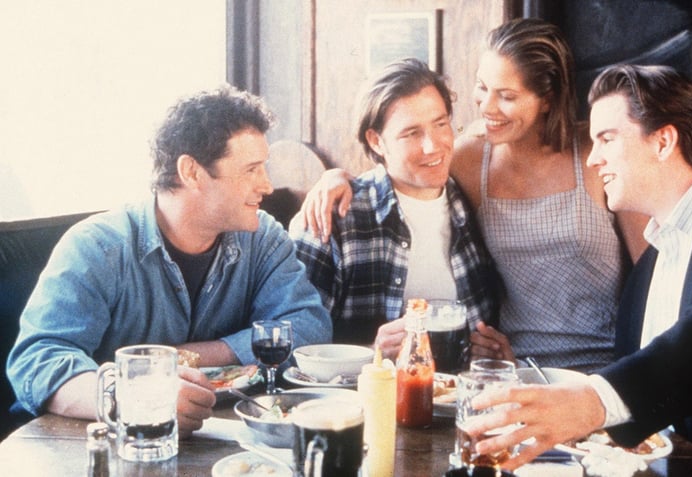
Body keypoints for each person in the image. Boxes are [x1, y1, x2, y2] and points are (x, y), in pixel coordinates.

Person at [462, 64, 692, 476]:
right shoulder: (648, 268)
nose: (593, 159)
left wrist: (590, 402)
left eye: (606, 139)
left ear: (662, 142)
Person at [298, 18, 648, 372]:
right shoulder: (471, 159)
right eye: (482, 87)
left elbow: (651, 266)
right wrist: (335, 177)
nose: (486, 107)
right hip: (512, 367)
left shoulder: (596, 151)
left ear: (547, 99)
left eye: (507, 96)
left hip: (606, 364)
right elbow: (403, 171)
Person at [6, 86, 332, 437]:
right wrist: (138, 393)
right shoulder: (97, 246)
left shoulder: (263, 237)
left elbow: (308, 324)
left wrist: (189, 355)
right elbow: (36, 361)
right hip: (97, 446)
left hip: (223, 443)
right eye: (251, 169)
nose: (267, 185)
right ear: (191, 171)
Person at [288, 58, 500, 358]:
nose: (433, 146)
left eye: (440, 124)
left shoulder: (471, 202)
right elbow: (292, 348)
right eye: (411, 133)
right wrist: (372, 354)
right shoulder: (333, 218)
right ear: (376, 141)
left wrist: (493, 354)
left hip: (462, 398)